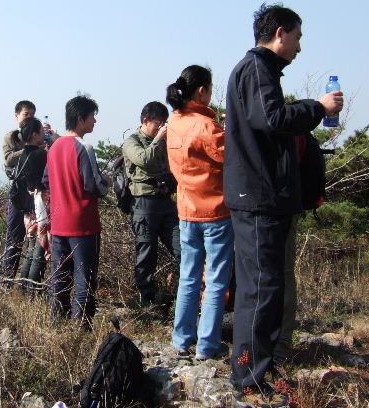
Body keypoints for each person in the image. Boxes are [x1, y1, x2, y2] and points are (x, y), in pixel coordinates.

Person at [225, 3, 343, 396]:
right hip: (259, 199)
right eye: (297, 37)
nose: (299, 47)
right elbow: (272, 118)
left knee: (263, 288)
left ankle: (258, 367)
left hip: (261, 197)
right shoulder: (257, 69)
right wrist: (318, 108)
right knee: (261, 289)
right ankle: (250, 377)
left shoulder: (258, 70)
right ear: (280, 33)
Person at [165, 66, 234, 361]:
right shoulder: (206, 126)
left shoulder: (174, 122)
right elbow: (233, 156)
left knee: (189, 277)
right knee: (216, 281)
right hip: (216, 211)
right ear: (203, 91)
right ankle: (207, 345)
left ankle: (181, 340)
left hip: (186, 211)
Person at [42, 95, 109, 328]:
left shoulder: (54, 148)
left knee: (60, 278)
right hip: (83, 225)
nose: (94, 121)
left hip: (59, 224)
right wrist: (108, 182)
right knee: (85, 279)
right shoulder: (83, 147)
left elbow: (47, 183)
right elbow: (95, 186)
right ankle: (81, 329)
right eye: (92, 117)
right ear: (81, 118)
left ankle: (57, 324)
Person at [122, 101, 180, 306]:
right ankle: (147, 300)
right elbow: (144, 160)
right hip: (143, 203)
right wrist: (158, 139)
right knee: (147, 254)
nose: (162, 126)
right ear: (146, 120)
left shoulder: (165, 140)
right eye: (158, 122)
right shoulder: (132, 141)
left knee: (182, 246)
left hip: (166, 201)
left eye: (165, 122)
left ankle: (187, 293)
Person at [2, 101, 58, 280]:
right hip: (23, 195)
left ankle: (23, 285)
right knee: (17, 238)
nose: (30, 117)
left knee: (33, 243)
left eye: (33, 114)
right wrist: (31, 148)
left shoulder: (40, 141)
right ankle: (9, 279)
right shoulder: (11, 137)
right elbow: (8, 159)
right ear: (17, 115)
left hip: (33, 197)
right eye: (26, 114)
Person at [15, 117, 50, 292]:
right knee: (39, 252)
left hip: (28, 210)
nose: (44, 134)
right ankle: (32, 293)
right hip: (40, 208)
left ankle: (23, 290)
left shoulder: (23, 154)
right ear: (35, 134)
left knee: (30, 251)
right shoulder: (40, 155)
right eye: (42, 131)